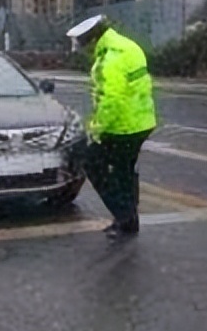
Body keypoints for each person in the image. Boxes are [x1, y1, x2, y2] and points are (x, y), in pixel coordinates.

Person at [67, 15, 157, 240]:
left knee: (92, 163)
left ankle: (124, 216)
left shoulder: (111, 59)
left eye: (82, 44)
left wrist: (95, 130)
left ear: (93, 39)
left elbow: (112, 100)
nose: (83, 50)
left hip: (122, 126)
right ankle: (128, 220)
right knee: (123, 170)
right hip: (141, 122)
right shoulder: (127, 45)